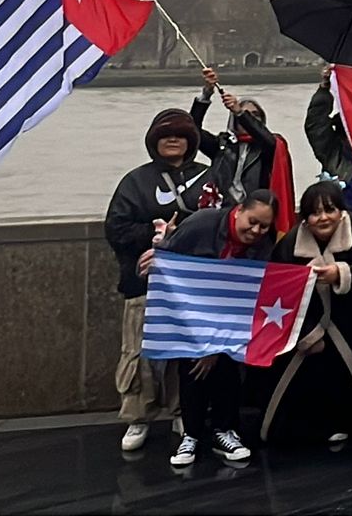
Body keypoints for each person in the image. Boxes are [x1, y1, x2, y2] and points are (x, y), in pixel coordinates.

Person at [105, 108, 212, 452]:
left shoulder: (208, 178)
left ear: (191, 142)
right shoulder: (135, 181)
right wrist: (155, 234)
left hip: (191, 285)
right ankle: (138, 416)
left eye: (180, 135)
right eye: (166, 135)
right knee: (138, 352)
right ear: (153, 141)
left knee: (185, 351)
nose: (173, 140)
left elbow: (219, 224)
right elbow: (116, 228)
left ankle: (184, 412)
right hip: (144, 283)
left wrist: (184, 234)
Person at [149, 190, 280, 466]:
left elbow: (252, 289)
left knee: (227, 363)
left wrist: (217, 345)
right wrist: (153, 258)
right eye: (252, 221)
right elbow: (169, 261)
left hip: (233, 313)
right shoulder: (202, 223)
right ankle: (192, 434)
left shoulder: (264, 242)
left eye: (264, 226)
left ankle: (225, 430)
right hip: (190, 307)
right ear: (239, 210)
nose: (256, 230)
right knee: (193, 363)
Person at [262, 181, 352, 445]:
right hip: (306, 320)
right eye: (314, 212)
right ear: (306, 219)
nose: (323, 217)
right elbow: (276, 286)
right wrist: (307, 331)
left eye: (330, 209)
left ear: (342, 211)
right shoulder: (290, 242)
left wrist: (344, 273)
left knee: (350, 373)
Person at [191, 67, 293, 222]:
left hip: (255, 216)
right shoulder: (222, 145)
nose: (249, 118)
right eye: (245, 114)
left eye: (255, 115)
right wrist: (207, 93)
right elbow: (192, 130)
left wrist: (240, 112)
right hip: (222, 216)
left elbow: (265, 138)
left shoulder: (270, 146)